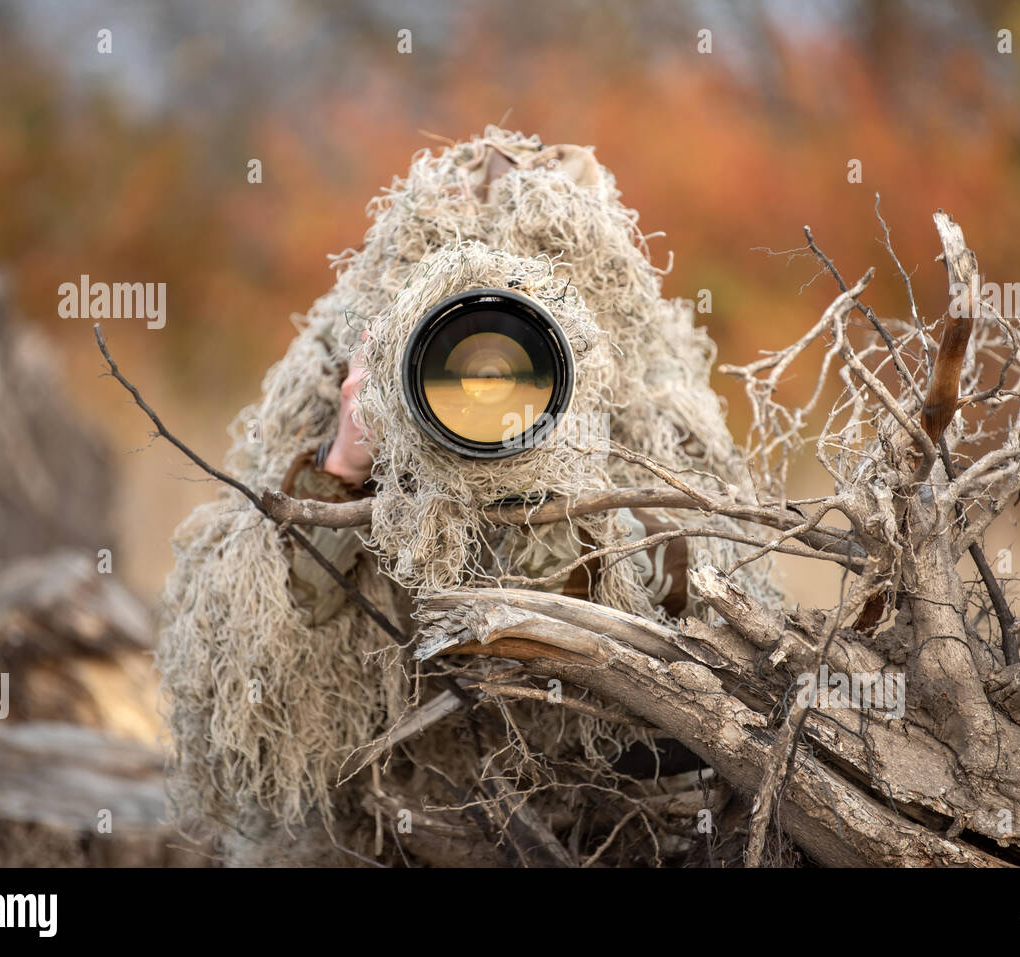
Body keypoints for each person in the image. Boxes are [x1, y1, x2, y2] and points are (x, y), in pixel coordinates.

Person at [159, 128, 778, 865]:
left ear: (590, 287)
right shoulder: (343, 368)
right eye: (459, 310)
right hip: (384, 809)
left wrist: (566, 473)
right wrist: (343, 461)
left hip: (594, 811)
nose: (491, 350)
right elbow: (255, 653)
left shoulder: (644, 382)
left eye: (523, 313)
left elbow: (696, 604)